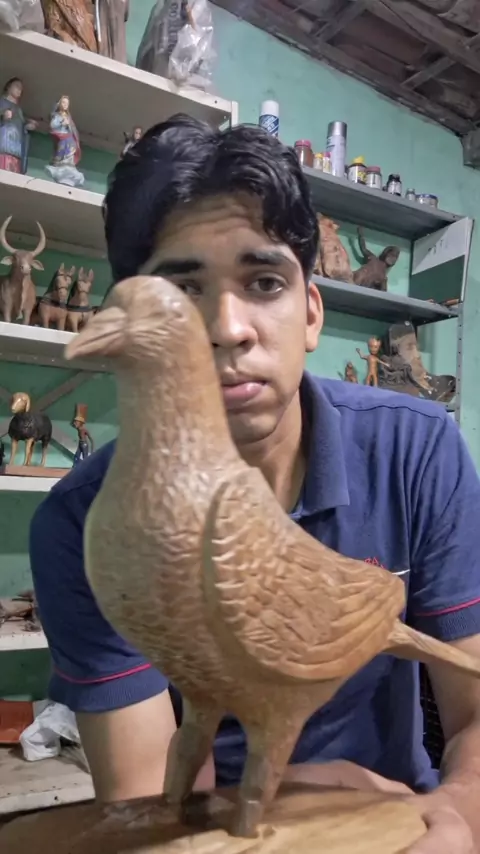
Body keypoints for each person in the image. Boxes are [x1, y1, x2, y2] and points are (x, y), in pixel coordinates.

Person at [30, 115, 480, 854]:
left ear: (312, 312)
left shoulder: (416, 447)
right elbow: (153, 798)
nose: (228, 327)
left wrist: (455, 813)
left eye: (264, 282)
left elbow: (474, 708)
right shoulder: (83, 525)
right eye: (183, 291)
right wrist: (287, 812)